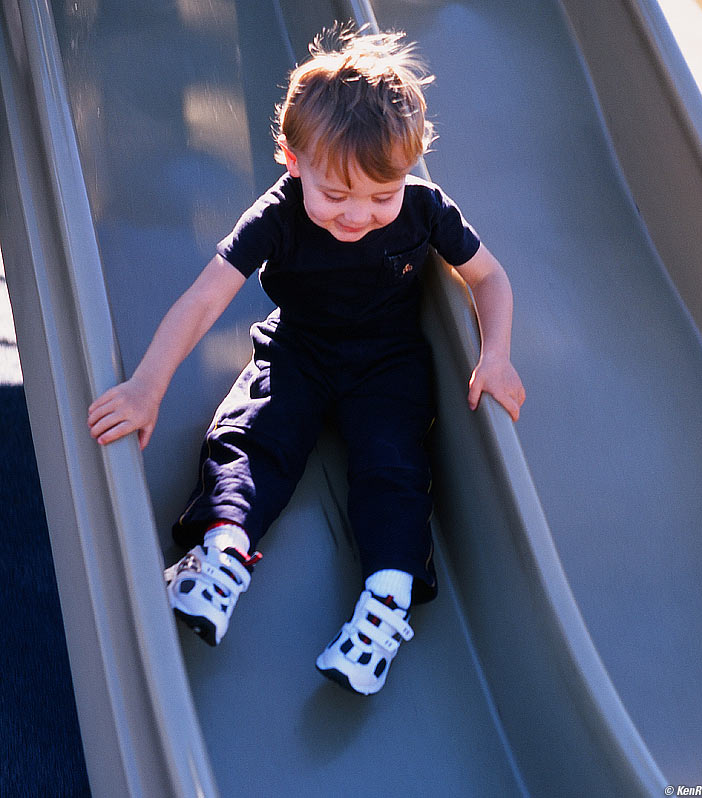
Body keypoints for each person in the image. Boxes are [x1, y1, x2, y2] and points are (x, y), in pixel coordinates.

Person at [87, 26, 525, 695]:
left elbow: (490, 279)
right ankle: (225, 552)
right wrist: (148, 384)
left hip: (388, 364)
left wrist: (496, 355)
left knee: (394, 468)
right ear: (293, 160)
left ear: (409, 167)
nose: (359, 215)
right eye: (337, 195)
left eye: (382, 196)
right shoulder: (279, 214)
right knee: (253, 437)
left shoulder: (425, 208)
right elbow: (205, 300)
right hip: (299, 348)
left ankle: (386, 600)